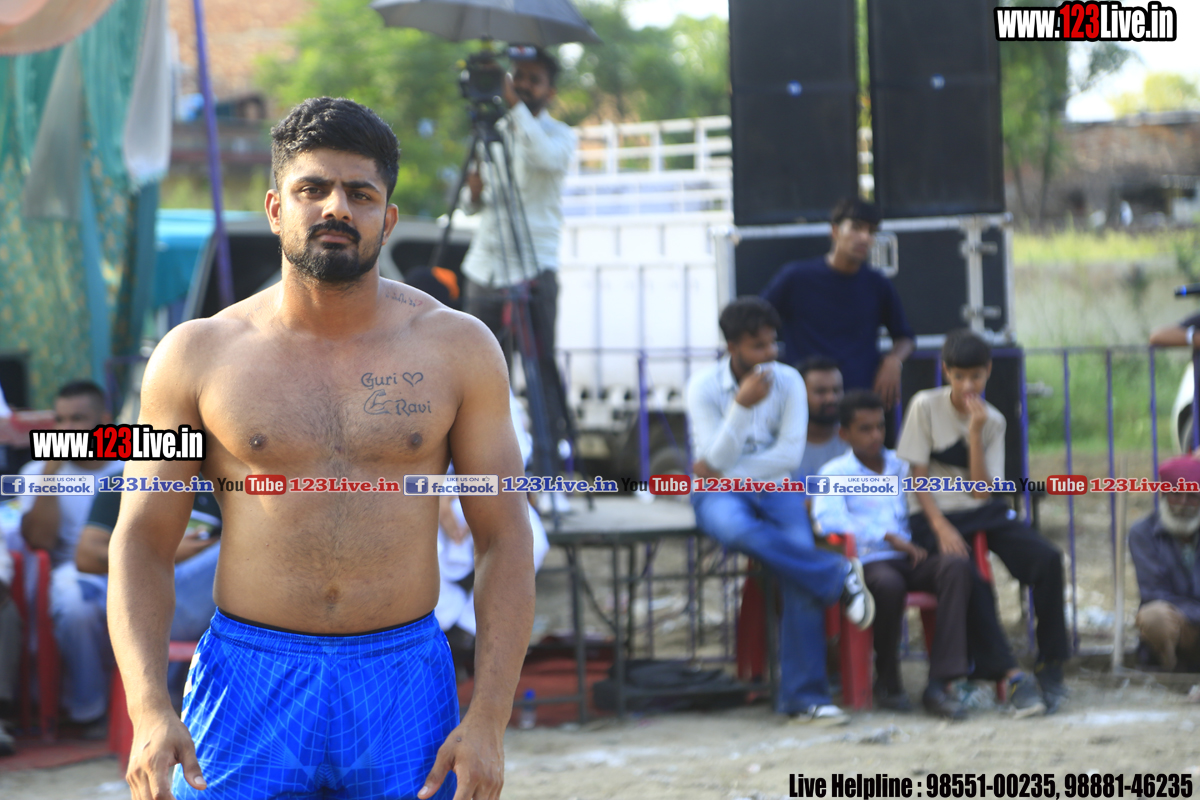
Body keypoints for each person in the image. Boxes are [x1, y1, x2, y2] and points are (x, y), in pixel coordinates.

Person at [107, 97, 536, 800]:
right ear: (276, 209)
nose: (336, 207)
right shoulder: (196, 355)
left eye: (360, 193)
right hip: (248, 674)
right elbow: (141, 540)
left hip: (402, 673)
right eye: (313, 189)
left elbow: (505, 537)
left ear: (386, 220)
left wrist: (489, 719)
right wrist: (150, 710)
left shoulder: (457, 348)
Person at [687, 296, 874, 725]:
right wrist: (742, 407)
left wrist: (721, 469)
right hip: (718, 496)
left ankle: (804, 698)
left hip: (776, 488)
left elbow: (787, 456)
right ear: (732, 347)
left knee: (795, 567)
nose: (770, 353)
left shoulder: (789, 381)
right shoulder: (703, 387)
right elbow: (711, 462)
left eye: (773, 343)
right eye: (758, 346)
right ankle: (835, 573)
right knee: (736, 530)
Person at [897, 329, 1068, 715]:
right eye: (959, 376)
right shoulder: (924, 406)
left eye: (975, 376)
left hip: (979, 509)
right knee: (969, 574)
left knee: (1046, 558)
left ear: (988, 371)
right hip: (932, 514)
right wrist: (940, 527)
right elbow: (916, 478)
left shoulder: (993, 420)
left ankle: (1051, 664)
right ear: (946, 372)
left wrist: (974, 434)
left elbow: (980, 492)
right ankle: (1007, 672)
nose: (967, 386)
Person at [813, 391, 973, 719]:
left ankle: (940, 682)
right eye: (865, 429)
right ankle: (887, 679)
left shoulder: (902, 466)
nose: (875, 435)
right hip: (870, 561)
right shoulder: (834, 473)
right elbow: (829, 521)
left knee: (956, 567)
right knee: (887, 585)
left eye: (880, 427)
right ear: (844, 433)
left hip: (914, 557)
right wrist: (887, 537)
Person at [17, 380, 122, 732]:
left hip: (135, 565)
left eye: (78, 419)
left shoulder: (136, 463)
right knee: (77, 605)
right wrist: (51, 470)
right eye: (60, 420)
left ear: (104, 422)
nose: (67, 429)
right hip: (71, 570)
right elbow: (39, 540)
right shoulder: (38, 472)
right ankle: (90, 710)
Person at [460, 47, 575, 364]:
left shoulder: (561, 135)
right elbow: (470, 207)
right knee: (480, 367)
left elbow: (544, 157)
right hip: (484, 268)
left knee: (541, 367)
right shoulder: (495, 131)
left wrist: (514, 105)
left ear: (550, 92)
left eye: (534, 80)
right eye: (518, 76)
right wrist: (473, 194)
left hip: (533, 266)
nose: (523, 84)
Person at [75, 485, 222, 708]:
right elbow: (85, 558)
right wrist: (165, 551)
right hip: (141, 602)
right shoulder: (125, 481)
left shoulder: (225, 484)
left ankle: (173, 698)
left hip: (204, 609)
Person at [760, 197, 915, 408]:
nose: (864, 237)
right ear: (834, 231)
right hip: (802, 402)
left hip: (858, 403)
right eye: (856, 228)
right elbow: (757, 321)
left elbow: (905, 337)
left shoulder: (878, 284)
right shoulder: (795, 277)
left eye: (871, 231)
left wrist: (893, 361)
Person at [1129, 454, 1200, 672]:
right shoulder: (1143, 532)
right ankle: (1171, 669)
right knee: (1153, 616)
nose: (1183, 504)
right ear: (1164, 494)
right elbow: (1154, 593)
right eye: (1176, 494)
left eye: (1192, 496)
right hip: (1178, 622)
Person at [794, 356, 849, 482]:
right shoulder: (780, 442)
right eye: (821, 392)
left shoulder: (855, 441)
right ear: (799, 393)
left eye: (836, 390)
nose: (831, 398)